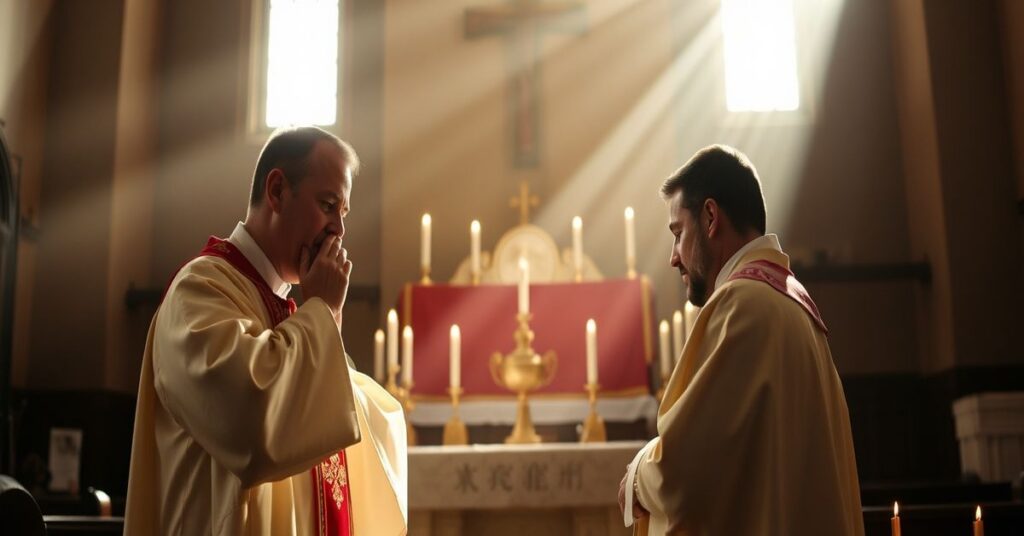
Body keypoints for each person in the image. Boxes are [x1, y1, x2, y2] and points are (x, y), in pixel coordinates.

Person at [125, 126, 407, 535]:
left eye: (342, 213)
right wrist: (322, 314)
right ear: (277, 190)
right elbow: (253, 423)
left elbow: (351, 420)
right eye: (328, 205)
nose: (338, 231)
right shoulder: (200, 290)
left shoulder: (292, 312)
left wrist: (322, 323)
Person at [619, 145, 863, 535]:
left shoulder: (741, 303)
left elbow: (685, 474)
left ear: (711, 217)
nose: (674, 257)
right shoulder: (795, 306)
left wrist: (637, 476)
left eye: (678, 233)